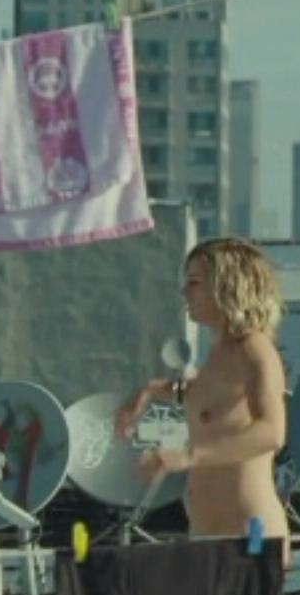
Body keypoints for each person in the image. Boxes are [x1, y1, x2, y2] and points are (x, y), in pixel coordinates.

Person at [117, 237, 289, 557]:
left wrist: (189, 455)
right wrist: (149, 391)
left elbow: (272, 432)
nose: (185, 292)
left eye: (195, 282)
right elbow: (204, 397)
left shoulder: (253, 348)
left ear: (230, 286)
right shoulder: (217, 352)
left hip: (248, 539)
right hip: (209, 539)